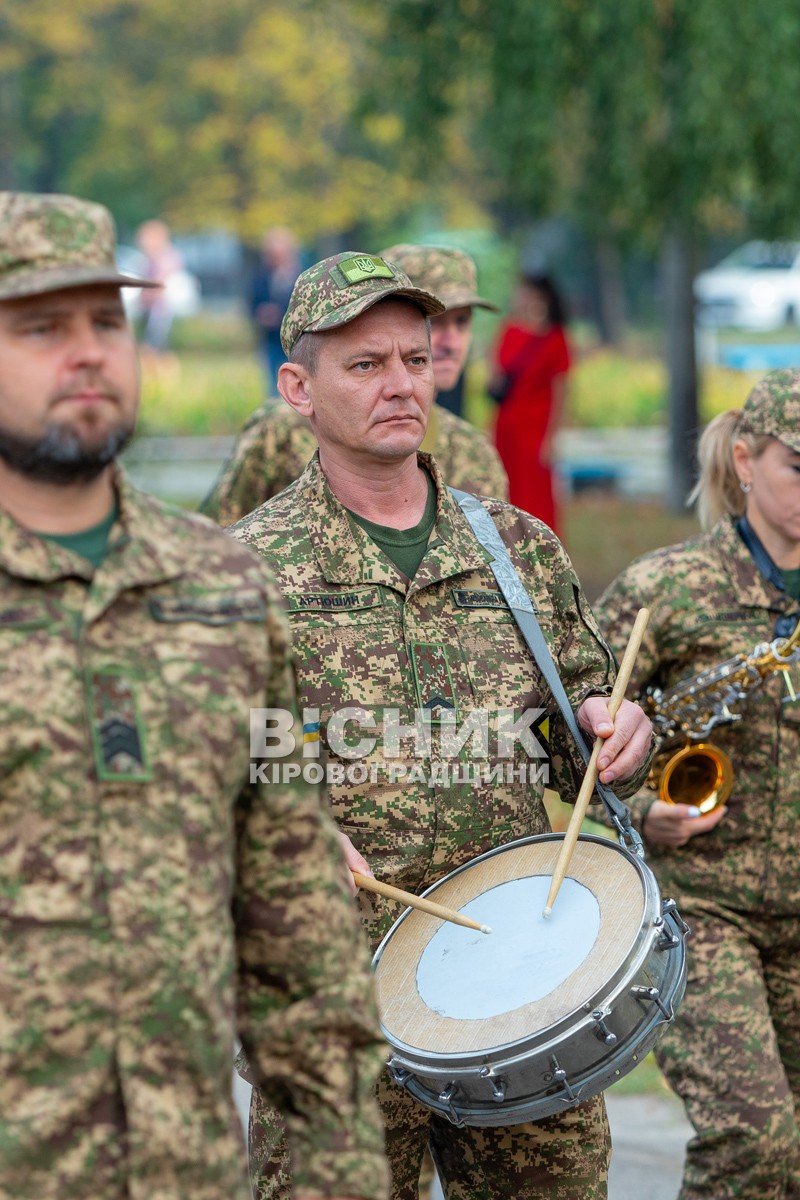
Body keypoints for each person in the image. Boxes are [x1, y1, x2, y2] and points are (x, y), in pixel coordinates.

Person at [229, 250, 655, 1200]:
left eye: (414, 361)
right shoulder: (238, 573)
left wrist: (613, 731)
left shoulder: (515, 546)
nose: (399, 385)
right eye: (365, 364)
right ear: (297, 387)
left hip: (520, 984)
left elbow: (578, 723)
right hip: (331, 1008)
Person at [0, 192, 389, 1200]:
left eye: (105, 322)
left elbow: (294, 909)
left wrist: (338, 1167)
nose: (86, 353)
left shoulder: (222, 587)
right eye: (41, 328)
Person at [594, 369, 800, 1200]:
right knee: (756, 1142)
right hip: (704, 909)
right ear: (745, 461)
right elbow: (556, 723)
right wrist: (643, 810)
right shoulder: (667, 590)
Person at [201, 244, 508, 526]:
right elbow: (217, 543)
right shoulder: (281, 430)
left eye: (462, 323)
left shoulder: (473, 450)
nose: (450, 342)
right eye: (436, 323)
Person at [490, 272, 570, 536]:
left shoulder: (556, 338)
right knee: (505, 491)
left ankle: (543, 551)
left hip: (535, 429)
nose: (524, 300)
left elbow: (561, 392)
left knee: (536, 495)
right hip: (507, 425)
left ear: (544, 299)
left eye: (529, 294)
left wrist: (553, 437)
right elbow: (496, 377)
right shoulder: (510, 330)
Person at [249, 227, 303, 395]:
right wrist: (261, 314)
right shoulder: (261, 276)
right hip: (271, 339)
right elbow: (251, 302)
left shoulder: (301, 274)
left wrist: (279, 315)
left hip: (296, 341)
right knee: (274, 385)